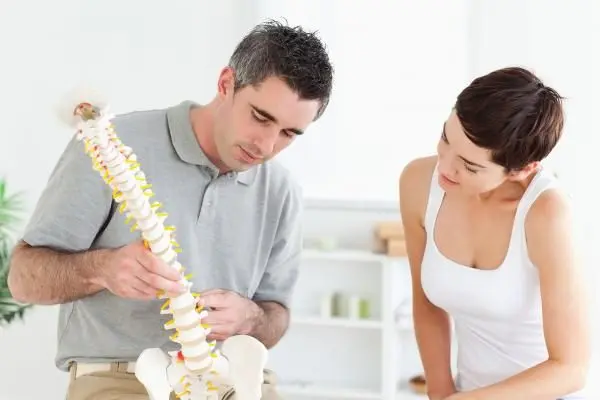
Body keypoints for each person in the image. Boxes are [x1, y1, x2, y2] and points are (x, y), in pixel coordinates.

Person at [7, 19, 334, 400]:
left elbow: (276, 317)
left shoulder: (281, 191)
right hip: (123, 376)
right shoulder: (109, 146)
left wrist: (252, 318)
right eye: (261, 117)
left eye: (289, 134)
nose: (266, 144)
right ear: (226, 83)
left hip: (231, 379)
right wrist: (101, 269)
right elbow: (23, 279)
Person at [398, 67, 591, 400]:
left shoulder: (546, 214)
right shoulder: (418, 181)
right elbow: (427, 306)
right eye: (446, 138)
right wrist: (441, 391)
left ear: (522, 169)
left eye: (470, 166)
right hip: (466, 390)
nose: (444, 167)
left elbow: (571, 369)